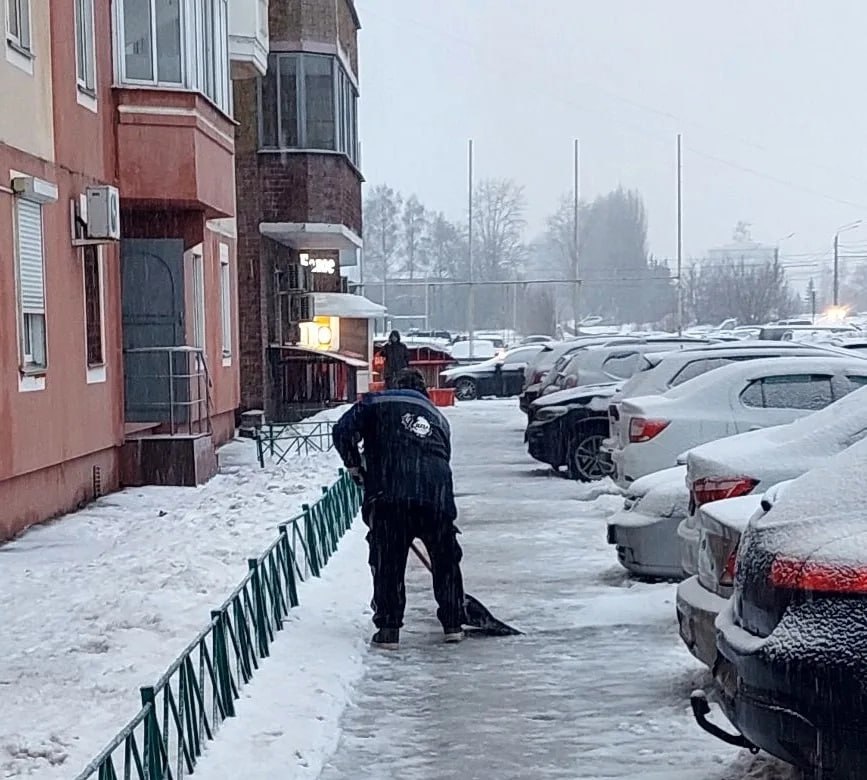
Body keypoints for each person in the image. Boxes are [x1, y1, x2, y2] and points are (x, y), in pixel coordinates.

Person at [332, 368, 466, 650]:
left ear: (394, 385)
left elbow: (342, 430)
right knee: (445, 559)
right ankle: (453, 623)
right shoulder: (438, 417)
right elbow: (443, 456)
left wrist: (354, 464)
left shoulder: (375, 402)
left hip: (390, 495)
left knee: (389, 562)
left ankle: (389, 628)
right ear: (424, 392)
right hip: (436, 495)